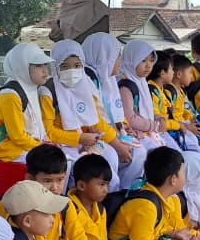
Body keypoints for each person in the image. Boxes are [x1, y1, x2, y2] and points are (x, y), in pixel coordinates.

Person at [43, 38, 140, 188]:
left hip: (87, 139)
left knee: (111, 160)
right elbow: (49, 131)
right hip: (63, 144)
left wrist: (116, 143)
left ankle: (113, 198)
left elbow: (96, 120)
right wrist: (79, 138)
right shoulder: (48, 91)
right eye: (65, 66)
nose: (72, 71)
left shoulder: (86, 85)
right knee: (80, 168)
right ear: (55, 66)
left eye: (77, 65)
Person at [67, 154, 142, 240]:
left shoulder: (100, 208)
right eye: (101, 185)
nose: (106, 190)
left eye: (107, 185)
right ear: (82, 185)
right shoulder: (70, 207)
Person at [0, 42, 53, 163]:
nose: (45, 70)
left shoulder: (31, 89)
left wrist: (47, 144)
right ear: (22, 67)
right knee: (55, 164)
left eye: (45, 64)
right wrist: (44, 148)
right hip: (11, 153)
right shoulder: (10, 96)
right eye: (38, 65)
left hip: (28, 148)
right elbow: (18, 137)